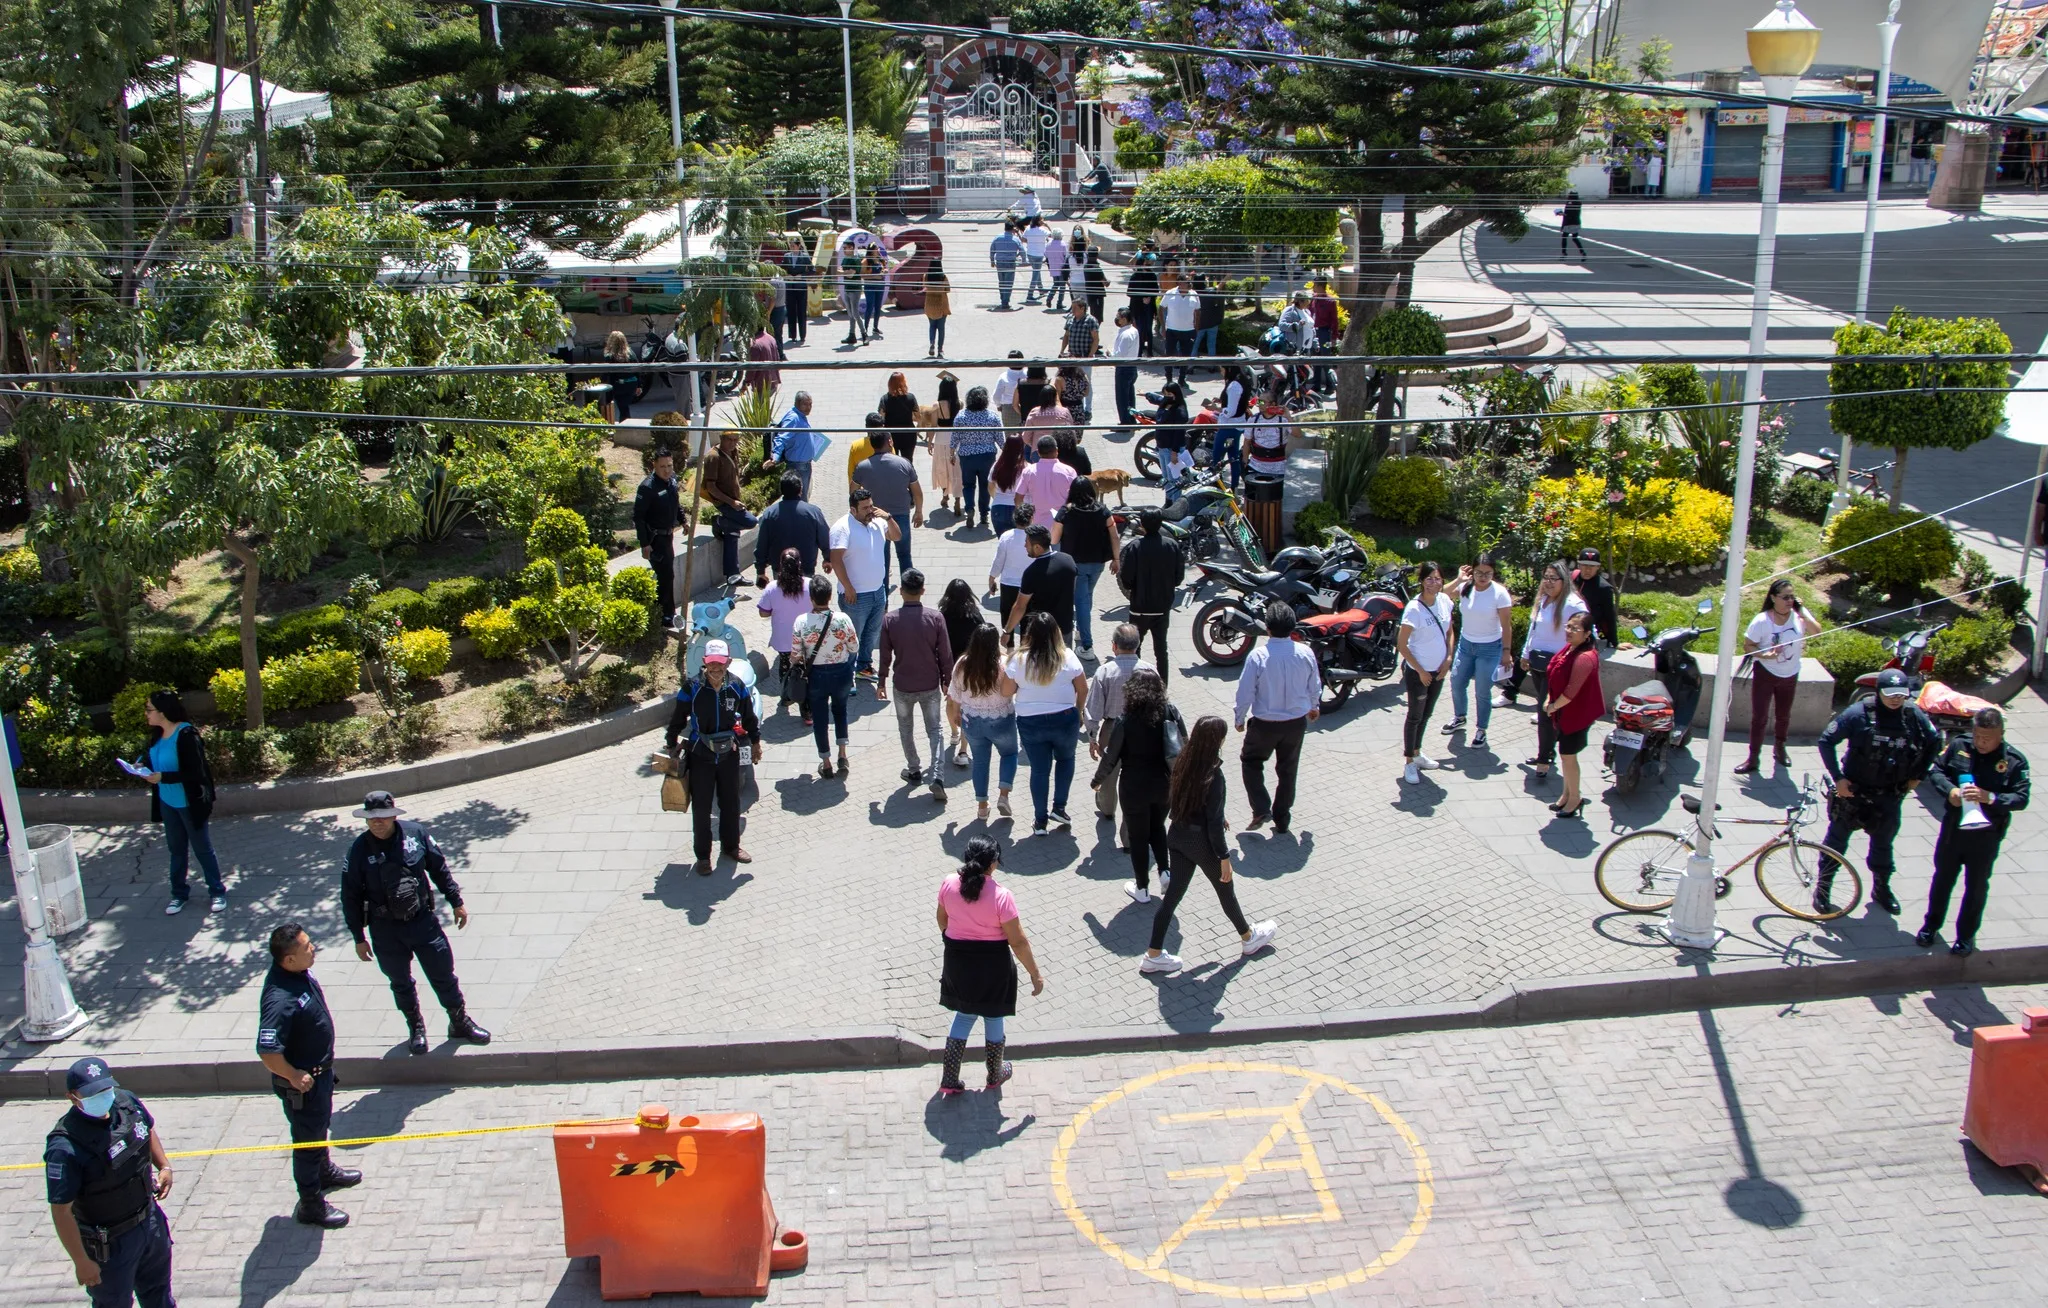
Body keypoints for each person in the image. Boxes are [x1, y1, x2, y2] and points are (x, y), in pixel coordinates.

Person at [341, 790, 489, 1053]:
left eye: (383, 817)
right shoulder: (359, 851)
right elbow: (350, 895)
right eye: (372, 818)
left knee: (443, 973)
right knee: (400, 981)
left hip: (422, 922)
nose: (378, 822)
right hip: (386, 930)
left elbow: (438, 867)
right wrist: (358, 937)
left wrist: (456, 901)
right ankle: (416, 1027)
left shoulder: (415, 834)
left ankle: (459, 1022)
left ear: (393, 815)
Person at [1140, 715, 1279, 974]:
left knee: (1171, 899)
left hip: (1178, 836)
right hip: (1201, 842)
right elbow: (1213, 824)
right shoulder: (1214, 775)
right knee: (1226, 891)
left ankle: (1153, 955)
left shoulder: (1183, 760)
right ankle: (1249, 938)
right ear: (1218, 741)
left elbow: (1185, 796)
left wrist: (1216, 814)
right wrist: (1224, 857)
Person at [45, 1057, 178, 1306]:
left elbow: (146, 1129)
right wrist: (81, 1261)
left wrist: (164, 1165)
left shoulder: (125, 1101)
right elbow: (61, 1211)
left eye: (105, 1089)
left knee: (159, 1294)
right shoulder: (65, 1147)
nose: (103, 1096)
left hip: (149, 1222)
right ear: (72, 1096)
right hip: (111, 1243)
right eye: (92, 1093)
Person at [1815, 668, 1941, 915]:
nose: (1896, 699)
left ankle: (1881, 889)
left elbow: (1934, 742)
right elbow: (1826, 741)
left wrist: (1918, 775)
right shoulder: (1858, 714)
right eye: (1890, 694)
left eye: (1901, 694)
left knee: (1883, 844)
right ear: (1878, 692)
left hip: (1889, 795)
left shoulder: (1913, 714)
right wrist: (1838, 779)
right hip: (1853, 792)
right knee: (1836, 842)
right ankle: (1823, 887)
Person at [256, 922, 356, 1228]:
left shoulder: (296, 974)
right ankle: (311, 1203)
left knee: (318, 1129)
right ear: (288, 959)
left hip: (320, 1075)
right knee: (307, 1142)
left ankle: (324, 1172)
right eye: (307, 947)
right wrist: (294, 1075)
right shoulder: (280, 999)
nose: (313, 949)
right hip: (304, 1085)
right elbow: (267, 1051)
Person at [1917, 707, 2030, 956]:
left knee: (1976, 886)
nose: (1981, 742)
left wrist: (1991, 797)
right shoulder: (1960, 745)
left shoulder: (2013, 761)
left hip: (1986, 835)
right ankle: (1930, 926)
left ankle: (1966, 936)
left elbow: (2021, 798)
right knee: (1942, 879)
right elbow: (1936, 770)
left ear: (2001, 734)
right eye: (1978, 735)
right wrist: (1950, 791)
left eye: (1987, 738)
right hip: (1954, 829)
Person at [935, 837, 1044, 1095]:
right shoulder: (1002, 897)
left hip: (957, 961)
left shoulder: (949, 883)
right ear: (994, 864)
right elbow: (1017, 941)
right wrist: (1035, 974)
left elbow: (942, 919)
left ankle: (950, 1077)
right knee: (994, 1015)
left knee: (963, 1015)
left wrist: (956, 943)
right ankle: (995, 1073)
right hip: (993, 965)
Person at [665, 638, 762, 873]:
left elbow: (749, 717)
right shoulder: (692, 688)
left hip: (729, 754)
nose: (716, 669)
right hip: (701, 755)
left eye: (720, 664)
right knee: (702, 807)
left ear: (728, 662)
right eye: (711, 664)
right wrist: (671, 744)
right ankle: (703, 857)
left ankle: (731, 847)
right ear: (704, 662)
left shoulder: (736, 685)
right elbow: (678, 718)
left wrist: (756, 742)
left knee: (731, 804)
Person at [1094, 666, 1182, 904]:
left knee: (1138, 836)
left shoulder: (1126, 720)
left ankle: (1142, 888)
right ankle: (1165, 872)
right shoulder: (1170, 712)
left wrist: (1097, 781)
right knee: (1158, 828)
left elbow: (1111, 757)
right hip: (1163, 784)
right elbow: (1184, 744)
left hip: (1133, 787)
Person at [1233, 601, 1320, 834]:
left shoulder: (1258, 656)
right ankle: (1282, 818)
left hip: (1264, 725)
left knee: (1251, 762)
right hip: (1295, 724)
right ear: (1292, 626)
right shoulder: (1305, 653)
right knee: (1288, 769)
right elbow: (1315, 686)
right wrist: (1314, 706)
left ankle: (1261, 807)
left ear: (1268, 629)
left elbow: (1245, 691)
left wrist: (1239, 718)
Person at [134, 691, 224, 915]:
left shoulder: (186, 734)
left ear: (163, 712)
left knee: (202, 849)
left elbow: (195, 772)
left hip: (188, 803)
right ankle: (178, 894)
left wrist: (163, 777)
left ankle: (217, 891)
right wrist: (140, 763)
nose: (146, 714)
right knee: (176, 850)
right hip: (167, 802)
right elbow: (151, 755)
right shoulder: (157, 734)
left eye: (149, 709)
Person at [1002, 611, 1089, 834]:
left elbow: (1006, 691)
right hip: (1064, 719)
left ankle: (1040, 821)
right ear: (1056, 633)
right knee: (1066, 760)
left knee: (1039, 771)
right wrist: (1078, 712)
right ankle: (1059, 807)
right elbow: (1083, 688)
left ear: (1029, 634)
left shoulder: (1019, 660)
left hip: (1031, 723)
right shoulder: (1067, 655)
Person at [878, 569, 954, 799]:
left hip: (902, 686)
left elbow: (884, 655)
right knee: (936, 730)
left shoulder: (890, 620)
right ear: (923, 590)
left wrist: (881, 681)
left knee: (906, 729)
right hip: (930, 685)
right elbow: (946, 654)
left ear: (900, 592)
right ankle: (938, 776)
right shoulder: (936, 618)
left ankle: (913, 770)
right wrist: (946, 681)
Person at [1736, 579, 1821, 774]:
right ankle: (1753, 758)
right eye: (1785, 597)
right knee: (1760, 717)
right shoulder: (1762, 621)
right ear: (1773, 598)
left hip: (1790, 674)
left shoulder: (1798, 618)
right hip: (1766, 673)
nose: (1789, 601)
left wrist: (1802, 609)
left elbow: (1816, 632)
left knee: (1783, 716)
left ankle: (1780, 748)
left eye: (1792, 597)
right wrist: (1765, 655)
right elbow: (1748, 646)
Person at [1518, 559, 1586, 780]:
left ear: (1564, 581)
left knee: (1545, 711)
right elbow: (1533, 628)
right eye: (1545, 577)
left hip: (1558, 667)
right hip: (1538, 663)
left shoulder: (1573, 604)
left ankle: (1544, 758)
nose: (1547, 583)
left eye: (1552, 579)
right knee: (1549, 711)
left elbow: (1585, 634)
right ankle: (1547, 751)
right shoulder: (1543, 600)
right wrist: (1526, 653)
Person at [1443, 553, 1515, 749]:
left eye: (1488, 573)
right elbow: (1443, 593)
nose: (1483, 577)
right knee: (1457, 682)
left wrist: (1506, 652)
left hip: (1490, 648)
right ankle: (1460, 717)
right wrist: (1458, 579)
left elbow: (1506, 626)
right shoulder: (1466, 586)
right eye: (1478, 572)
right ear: (1472, 571)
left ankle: (1482, 729)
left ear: (1493, 573)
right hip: (1466, 645)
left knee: (1482, 691)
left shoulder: (1499, 593)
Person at [948, 626, 1019, 822]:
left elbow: (954, 694)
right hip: (1001, 719)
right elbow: (1012, 689)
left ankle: (982, 807)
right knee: (1010, 753)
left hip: (972, 721)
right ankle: (1003, 795)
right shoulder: (1004, 663)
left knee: (980, 762)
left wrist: (955, 714)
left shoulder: (963, 664)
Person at [792, 574, 859, 777]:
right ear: (830, 596)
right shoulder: (843, 619)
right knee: (840, 710)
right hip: (842, 673)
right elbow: (854, 646)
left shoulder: (802, 622)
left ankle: (826, 761)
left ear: (811, 598)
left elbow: (795, 655)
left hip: (816, 676)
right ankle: (843, 754)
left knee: (820, 717)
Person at [830, 488, 900, 678]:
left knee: (871, 633)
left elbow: (896, 536)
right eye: (865, 508)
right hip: (855, 596)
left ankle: (864, 667)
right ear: (853, 510)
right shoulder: (842, 528)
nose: (870, 510)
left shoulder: (877, 521)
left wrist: (888, 517)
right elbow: (836, 560)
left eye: (871, 505)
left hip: (878, 591)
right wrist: (848, 588)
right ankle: (847, 673)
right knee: (852, 636)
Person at [1084, 623, 1147, 832]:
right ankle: (1130, 829)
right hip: (1142, 730)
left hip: (1112, 730)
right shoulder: (1150, 670)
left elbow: (1093, 709)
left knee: (1109, 772)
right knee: (1136, 775)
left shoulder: (1105, 672)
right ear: (1137, 646)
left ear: (1114, 646)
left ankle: (1108, 808)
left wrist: (1092, 737)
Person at [1398, 562, 1455, 785]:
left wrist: (1448, 658)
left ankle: (1418, 752)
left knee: (1427, 713)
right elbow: (1402, 645)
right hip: (1418, 673)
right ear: (1422, 581)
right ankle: (1409, 761)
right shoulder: (1414, 609)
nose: (1434, 583)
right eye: (1429, 579)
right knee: (1414, 716)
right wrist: (1420, 671)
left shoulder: (1444, 601)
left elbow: (1450, 631)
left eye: (1438, 578)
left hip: (1439, 670)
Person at [1543, 613, 1604, 819]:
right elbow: (1555, 674)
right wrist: (1550, 698)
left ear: (1587, 634)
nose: (1569, 631)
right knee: (1565, 756)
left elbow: (1571, 691)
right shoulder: (1569, 648)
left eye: (1575, 629)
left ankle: (1575, 798)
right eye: (1568, 627)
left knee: (1569, 757)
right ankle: (1566, 794)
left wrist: (1552, 706)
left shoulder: (1585, 657)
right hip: (1563, 712)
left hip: (1575, 715)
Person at [1052, 477, 1120, 656]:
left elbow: (1054, 539)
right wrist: (1117, 558)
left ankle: (1087, 645)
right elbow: (1114, 536)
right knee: (1086, 597)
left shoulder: (1066, 512)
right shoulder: (1103, 510)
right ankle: (1082, 629)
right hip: (1098, 564)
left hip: (1075, 565)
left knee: (1081, 601)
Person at [1121, 508, 1185, 683]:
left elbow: (1125, 578)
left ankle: (1136, 684)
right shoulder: (1172, 545)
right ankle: (1162, 687)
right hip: (1162, 608)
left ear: (1142, 524)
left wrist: (1134, 589)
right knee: (1161, 650)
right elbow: (1179, 577)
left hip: (1139, 608)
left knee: (1134, 649)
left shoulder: (1134, 547)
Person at [852, 430, 923, 582]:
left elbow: (853, 493)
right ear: (890, 442)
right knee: (904, 556)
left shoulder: (862, 467)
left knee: (881, 559)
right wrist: (918, 512)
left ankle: (882, 600)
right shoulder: (904, 463)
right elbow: (917, 492)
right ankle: (910, 593)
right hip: (901, 516)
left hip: (875, 519)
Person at [758, 547, 814, 715]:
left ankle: (786, 696)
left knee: (785, 668)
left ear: (780, 566)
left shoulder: (772, 587)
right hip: (808, 639)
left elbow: (763, 612)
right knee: (807, 670)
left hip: (784, 641)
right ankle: (807, 707)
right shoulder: (810, 584)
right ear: (799, 564)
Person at [752, 472, 831, 589]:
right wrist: (828, 559)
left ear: (781, 490)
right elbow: (825, 539)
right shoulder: (813, 512)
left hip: (780, 571)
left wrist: (760, 571)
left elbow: (762, 544)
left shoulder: (769, 514)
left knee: (783, 602)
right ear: (801, 489)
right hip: (806, 570)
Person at [634, 447, 684, 630]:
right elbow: (638, 518)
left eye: (669, 465)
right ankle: (666, 615)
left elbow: (676, 503)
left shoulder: (671, 481)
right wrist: (645, 544)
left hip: (668, 536)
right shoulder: (647, 487)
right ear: (654, 465)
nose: (667, 470)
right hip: (655, 540)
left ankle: (665, 611)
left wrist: (683, 521)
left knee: (667, 575)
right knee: (665, 576)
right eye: (662, 466)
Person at [938, 578, 987, 764]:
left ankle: (953, 732)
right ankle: (963, 751)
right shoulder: (974, 615)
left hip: (950, 667)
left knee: (951, 703)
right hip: (970, 666)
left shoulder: (942, 616)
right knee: (967, 706)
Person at [698, 427, 755, 583]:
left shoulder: (734, 452)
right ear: (721, 438)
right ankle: (718, 521)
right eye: (729, 439)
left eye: (736, 440)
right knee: (751, 521)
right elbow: (711, 487)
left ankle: (732, 575)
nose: (733, 443)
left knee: (732, 534)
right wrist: (731, 502)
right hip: (724, 502)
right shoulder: (713, 457)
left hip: (733, 500)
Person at [1008, 523, 1079, 646]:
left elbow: (1020, 606)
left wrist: (1007, 631)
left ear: (1037, 547)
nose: (1025, 545)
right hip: (1065, 627)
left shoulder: (1032, 572)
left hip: (1042, 631)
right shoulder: (1068, 560)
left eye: (1027, 543)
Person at [950, 386, 1005, 530]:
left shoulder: (961, 416)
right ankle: (984, 514)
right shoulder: (992, 416)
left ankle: (969, 509)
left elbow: (954, 437)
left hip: (967, 456)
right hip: (987, 456)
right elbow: (1001, 439)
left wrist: (952, 453)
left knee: (968, 485)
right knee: (985, 485)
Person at [763, 392, 827, 501]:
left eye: (810, 404)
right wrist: (774, 458)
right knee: (800, 499)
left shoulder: (799, 415)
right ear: (797, 403)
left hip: (803, 465)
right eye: (805, 404)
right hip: (799, 466)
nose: (808, 408)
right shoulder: (794, 418)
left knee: (802, 497)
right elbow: (781, 438)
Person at [988, 501, 1036, 638]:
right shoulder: (1037, 536)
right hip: (1030, 585)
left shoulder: (1006, 536)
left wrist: (992, 578)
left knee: (1007, 616)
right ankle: (1024, 649)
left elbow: (999, 561)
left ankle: (1009, 648)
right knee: (1028, 619)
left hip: (1008, 584)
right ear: (1031, 518)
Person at [1015, 432, 1077, 518]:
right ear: (1057, 450)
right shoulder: (1069, 471)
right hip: (1062, 522)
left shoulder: (1028, 471)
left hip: (1037, 523)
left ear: (1038, 452)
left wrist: (1025, 518)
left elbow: (1018, 498)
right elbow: (1076, 498)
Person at [1571, 547, 1619, 647]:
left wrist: (1614, 642)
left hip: (1586, 633)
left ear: (1598, 567)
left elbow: (1609, 616)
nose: (1588, 569)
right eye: (1584, 565)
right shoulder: (1570, 579)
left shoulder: (1604, 588)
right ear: (1579, 564)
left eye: (1592, 566)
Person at [930, 371, 962, 514]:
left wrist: (930, 442)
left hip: (941, 441)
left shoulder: (937, 405)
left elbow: (933, 426)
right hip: (956, 441)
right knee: (956, 471)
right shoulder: (959, 403)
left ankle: (945, 496)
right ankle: (958, 499)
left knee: (942, 470)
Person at [1213, 364, 1250, 488]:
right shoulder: (1241, 381)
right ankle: (1233, 487)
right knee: (1232, 456)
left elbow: (1231, 411)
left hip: (1228, 428)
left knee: (1217, 457)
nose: (1221, 373)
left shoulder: (1234, 386)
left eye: (1222, 370)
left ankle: (1218, 487)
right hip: (1235, 427)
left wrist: (1217, 408)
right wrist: (1222, 401)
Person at [1160, 276, 1200, 387]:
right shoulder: (1170, 293)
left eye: (1187, 282)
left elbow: (1197, 312)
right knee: (1169, 355)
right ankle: (1169, 379)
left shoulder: (1194, 294)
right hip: (1172, 330)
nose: (1185, 284)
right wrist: (1163, 326)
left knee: (1185, 357)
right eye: (1183, 282)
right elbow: (1161, 308)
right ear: (1179, 282)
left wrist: (1196, 328)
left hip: (1188, 331)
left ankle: (1182, 379)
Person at [1243, 389, 1290, 479]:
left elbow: (1298, 434)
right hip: (1256, 467)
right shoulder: (1253, 420)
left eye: (1262, 402)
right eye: (1258, 401)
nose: (1259, 404)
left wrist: (1289, 417)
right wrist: (1245, 461)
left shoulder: (1283, 420)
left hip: (1279, 469)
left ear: (1272, 404)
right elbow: (1247, 442)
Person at [877, 370, 921, 461]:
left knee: (892, 462)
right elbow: (918, 417)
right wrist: (907, 416)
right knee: (908, 461)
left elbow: (880, 418)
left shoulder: (885, 399)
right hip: (908, 434)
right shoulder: (910, 397)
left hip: (891, 436)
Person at [1126, 241, 1160, 356]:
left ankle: (1150, 351)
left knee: (1148, 329)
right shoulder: (1135, 276)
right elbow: (1130, 292)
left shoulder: (1152, 276)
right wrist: (1142, 298)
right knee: (1139, 329)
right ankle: (1139, 351)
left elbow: (1156, 290)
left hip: (1149, 307)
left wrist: (1150, 297)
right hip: (1137, 307)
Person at [989, 436, 1028, 535]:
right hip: (1019, 509)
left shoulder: (997, 465)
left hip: (998, 508)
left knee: (1004, 543)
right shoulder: (1027, 468)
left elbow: (990, 486)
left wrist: (997, 498)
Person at [600, 330, 642, 421]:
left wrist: (602, 384)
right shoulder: (631, 353)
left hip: (619, 385)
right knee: (624, 407)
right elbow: (637, 369)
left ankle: (625, 429)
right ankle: (626, 426)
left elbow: (606, 373)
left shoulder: (609, 356)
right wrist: (639, 386)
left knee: (622, 409)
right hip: (631, 385)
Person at [1109, 307, 1141, 427]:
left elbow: (1120, 354)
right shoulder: (1133, 331)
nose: (1116, 319)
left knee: (1122, 398)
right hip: (1131, 367)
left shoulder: (1126, 335)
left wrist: (1110, 354)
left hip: (1124, 368)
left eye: (1118, 317)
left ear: (1124, 319)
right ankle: (1131, 419)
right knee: (1129, 397)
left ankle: (1125, 423)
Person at [1309, 278, 1339, 390]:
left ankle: (1330, 385)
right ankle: (1316, 385)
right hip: (1314, 333)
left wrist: (1334, 337)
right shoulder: (1314, 299)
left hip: (1324, 333)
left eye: (1315, 285)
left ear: (1321, 286)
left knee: (1325, 358)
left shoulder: (1330, 301)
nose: (1313, 288)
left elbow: (1334, 321)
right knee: (1315, 359)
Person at [783, 236, 813, 345]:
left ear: (798, 246)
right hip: (790, 287)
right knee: (791, 311)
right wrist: (787, 275)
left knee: (801, 311)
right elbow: (782, 269)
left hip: (801, 287)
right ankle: (792, 335)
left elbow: (812, 270)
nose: (792, 248)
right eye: (790, 246)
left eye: (793, 246)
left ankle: (802, 335)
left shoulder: (804, 256)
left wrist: (802, 276)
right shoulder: (787, 256)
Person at [989, 223, 1025, 309]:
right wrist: (1023, 260)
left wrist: (992, 261)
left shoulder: (997, 237)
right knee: (1008, 283)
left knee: (1002, 282)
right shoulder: (1015, 239)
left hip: (1000, 262)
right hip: (1010, 263)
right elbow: (1023, 251)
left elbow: (992, 249)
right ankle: (1005, 302)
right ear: (1012, 229)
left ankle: (1003, 299)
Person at [1194, 275, 1226, 372]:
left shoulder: (1193, 294)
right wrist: (1225, 278)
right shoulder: (1211, 291)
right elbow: (1220, 286)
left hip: (1198, 325)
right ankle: (1212, 366)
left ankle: (1190, 366)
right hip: (1212, 323)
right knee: (1211, 345)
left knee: (1194, 345)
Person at [839, 242, 869, 345]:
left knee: (855, 313)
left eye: (845, 248)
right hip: (847, 288)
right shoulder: (845, 259)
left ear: (851, 248)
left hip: (855, 289)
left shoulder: (856, 259)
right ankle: (852, 335)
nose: (844, 250)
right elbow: (841, 271)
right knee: (850, 314)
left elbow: (851, 275)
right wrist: (845, 272)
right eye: (843, 248)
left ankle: (864, 334)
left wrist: (843, 273)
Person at [923, 260, 951, 358]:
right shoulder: (943, 277)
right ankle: (940, 350)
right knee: (941, 328)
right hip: (941, 305)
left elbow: (924, 286)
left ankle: (932, 344)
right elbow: (948, 289)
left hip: (930, 304)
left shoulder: (926, 276)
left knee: (932, 326)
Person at [993, 351, 1025, 429]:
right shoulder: (1027, 375)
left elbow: (996, 396)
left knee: (1010, 436)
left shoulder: (1003, 377)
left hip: (1008, 408)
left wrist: (999, 405)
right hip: (1025, 406)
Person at [746, 323, 782, 394]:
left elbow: (752, 368)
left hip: (761, 386)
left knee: (760, 404)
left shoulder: (755, 345)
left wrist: (746, 382)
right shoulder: (771, 338)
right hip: (773, 381)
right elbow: (777, 358)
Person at [860, 245, 887, 339]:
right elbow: (862, 275)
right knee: (870, 306)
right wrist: (875, 277)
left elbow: (884, 269)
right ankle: (865, 328)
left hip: (880, 286)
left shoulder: (881, 260)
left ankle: (875, 327)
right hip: (869, 286)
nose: (878, 250)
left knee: (878, 306)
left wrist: (885, 271)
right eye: (876, 249)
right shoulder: (865, 261)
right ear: (871, 251)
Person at [1022, 215, 1049, 304]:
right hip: (1039, 255)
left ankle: (1041, 289)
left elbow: (1023, 239)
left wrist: (1031, 242)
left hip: (1030, 254)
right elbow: (1052, 235)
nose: (1043, 221)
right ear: (1038, 221)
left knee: (1036, 271)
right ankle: (1030, 295)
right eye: (1042, 219)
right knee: (1035, 274)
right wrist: (1047, 225)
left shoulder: (1028, 228)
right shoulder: (1042, 230)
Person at [1045, 227, 1070, 311]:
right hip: (1062, 268)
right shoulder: (1063, 244)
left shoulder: (1048, 244)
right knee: (1062, 286)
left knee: (1056, 284)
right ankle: (1059, 303)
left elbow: (1046, 255)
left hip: (1053, 267)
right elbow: (1066, 256)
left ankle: (1049, 297)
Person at [1083, 247, 1109, 324]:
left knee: (1093, 314)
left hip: (1090, 294)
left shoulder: (1086, 266)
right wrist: (1108, 281)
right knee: (1098, 318)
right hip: (1097, 296)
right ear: (1097, 255)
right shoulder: (1097, 268)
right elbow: (1105, 283)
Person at [1559, 188, 1586, 260]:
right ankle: (1582, 252)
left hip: (1569, 223)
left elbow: (1567, 214)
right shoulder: (1579, 202)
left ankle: (1564, 253)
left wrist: (1561, 213)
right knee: (1575, 238)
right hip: (1576, 222)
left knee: (1564, 237)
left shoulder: (1569, 203)